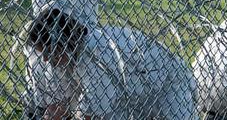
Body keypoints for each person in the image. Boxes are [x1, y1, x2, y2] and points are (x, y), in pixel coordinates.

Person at [25, 8, 195, 120]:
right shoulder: (70, 57)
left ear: (63, 43)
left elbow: (90, 116)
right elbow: (64, 104)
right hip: (133, 93)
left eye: (48, 52)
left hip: (169, 85)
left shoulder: (96, 55)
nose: (46, 60)